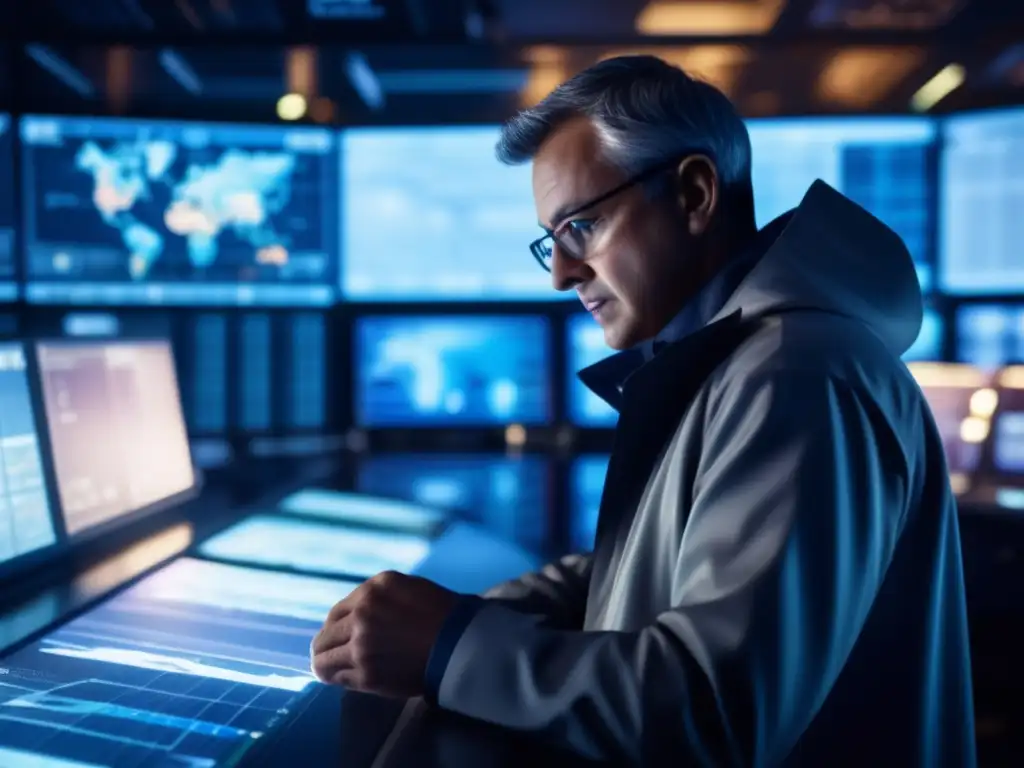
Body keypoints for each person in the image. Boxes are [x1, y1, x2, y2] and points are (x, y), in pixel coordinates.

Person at [311, 55, 976, 766]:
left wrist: (450, 645)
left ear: (693, 194)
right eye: (552, 242)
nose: (564, 272)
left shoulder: (798, 373)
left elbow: (714, 712)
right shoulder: (740, 361)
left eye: (580, 227)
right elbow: (654, 569)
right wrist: (471, 616)